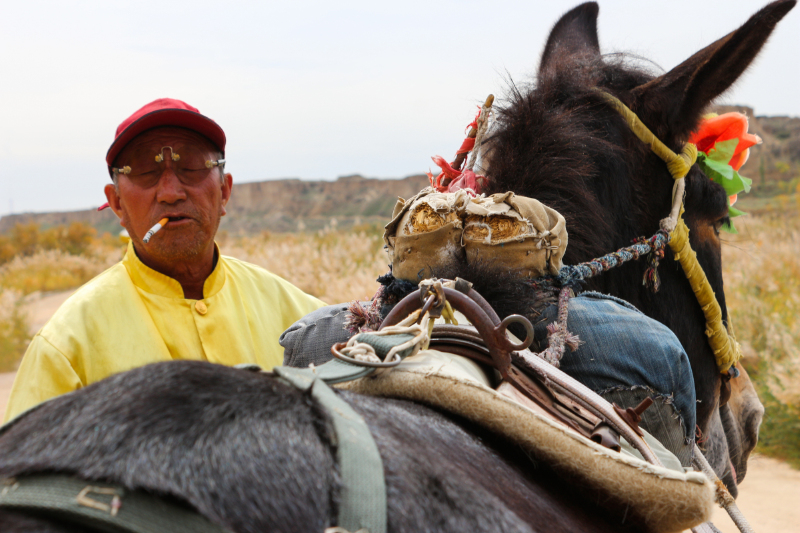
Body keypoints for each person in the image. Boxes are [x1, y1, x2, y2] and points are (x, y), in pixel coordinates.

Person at [4, 99, 325, 422]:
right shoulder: (66, 348)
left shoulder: (305, 318)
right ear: (116, 203)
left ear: (224, 192)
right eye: (145, 170)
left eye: (192, 167)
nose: (171, 192)